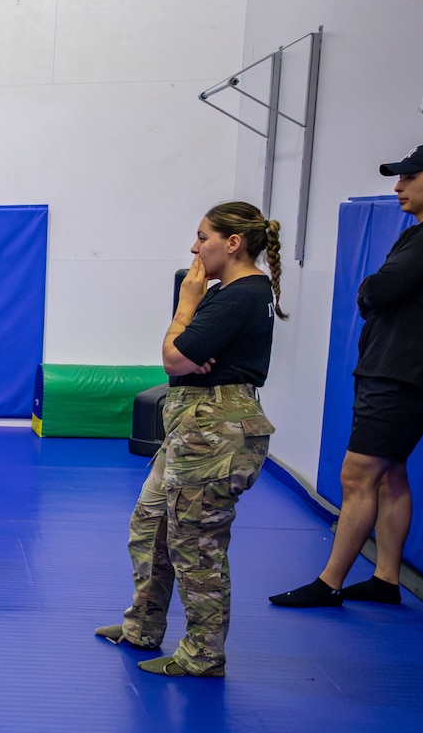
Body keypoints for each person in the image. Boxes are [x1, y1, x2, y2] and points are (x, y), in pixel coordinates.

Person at [271, 144, 423, 609]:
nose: (398, 187)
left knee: (357, 475)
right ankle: (386, 579)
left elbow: (379, 288)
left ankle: (329, 583)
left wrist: (372, 290)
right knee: (389, 475)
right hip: (395, 370)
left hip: (402, 375)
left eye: (409, 178)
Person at [97, 202, 283, 676]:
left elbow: (173, 359)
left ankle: (203, 654)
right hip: (196, 425)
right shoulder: (235, 294)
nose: (195, 247)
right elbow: (185, 358)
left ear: (233, 243)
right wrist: (188, 346)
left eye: (203, 237)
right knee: (151, 522)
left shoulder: (238, 295)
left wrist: (186, 307)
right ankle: (143, 624)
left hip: (214, 430)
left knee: (197, 544)